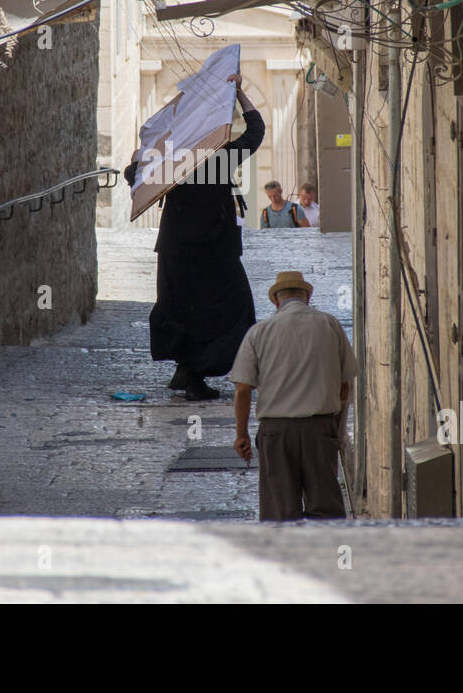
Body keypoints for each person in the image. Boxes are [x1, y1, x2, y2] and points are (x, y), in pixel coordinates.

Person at [123, 73, 264, 401]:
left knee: (181, 308)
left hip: (176, 248)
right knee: (229, 308)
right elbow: (256, 131)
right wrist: (241, 93)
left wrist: (141, 155)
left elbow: (134, 175)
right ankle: (195, 376)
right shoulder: (218, 157)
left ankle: (186, 370)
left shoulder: (175, 160)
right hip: (213, 249)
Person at [230, 270, 358, 521]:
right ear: (307, 297)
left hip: (276, 432)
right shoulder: (330, 324)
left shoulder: (259, 332)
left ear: (275, 300)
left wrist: (241, 434)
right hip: (320, 427)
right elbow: (345, 384)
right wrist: (335, 427)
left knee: (280, 510)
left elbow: (242, 388)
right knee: (325, 509)